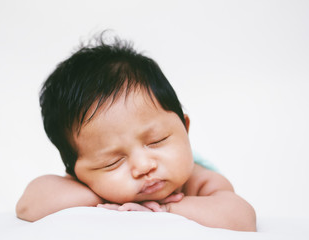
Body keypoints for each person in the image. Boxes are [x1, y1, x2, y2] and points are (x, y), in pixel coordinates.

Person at [16, 34, 256, 231]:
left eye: (157, 141)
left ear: (185, 128)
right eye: (113, 161)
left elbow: (242, 217)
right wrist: (104, 199)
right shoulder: (90, 185)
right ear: (76, 172)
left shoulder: (198, 180)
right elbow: (27, 206)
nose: (143, 166)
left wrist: (165, 209)